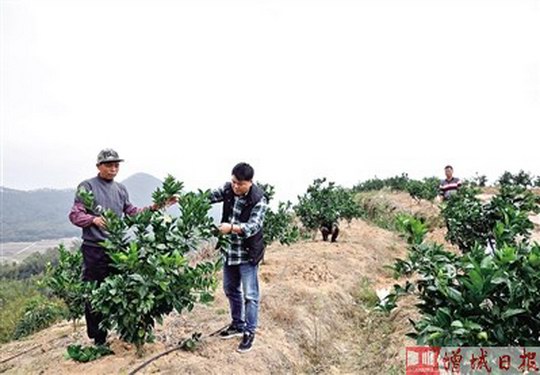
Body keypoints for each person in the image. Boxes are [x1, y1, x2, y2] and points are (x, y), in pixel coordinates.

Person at [68, 148, 169, 346]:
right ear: (99, 166)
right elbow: (75, 215)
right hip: (94, 248)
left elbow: (132, 212)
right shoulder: (87, 186)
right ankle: (98, 338)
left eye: (116, 165)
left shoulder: (121, 189)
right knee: (95, 292)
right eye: (109, 164)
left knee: (123, 289)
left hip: (116, 247)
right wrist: (93, 219)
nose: (113, 168)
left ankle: (127, 331)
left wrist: (156, 207)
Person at [208, 162, 268, 353]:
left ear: (249, 182)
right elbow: (207, 197)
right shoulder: (228, 190)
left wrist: (231, 228)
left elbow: (253, 226)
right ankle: (237, 324)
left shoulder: (259, 199)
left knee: (251, 295)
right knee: (230, 288)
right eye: (233, 182)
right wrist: (183, 198)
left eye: (239, 184)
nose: (235, 186)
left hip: (247, 253)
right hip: (230, 251)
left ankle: (249, 332)